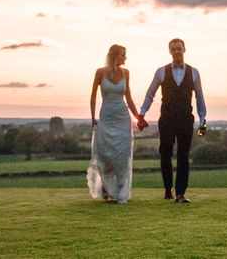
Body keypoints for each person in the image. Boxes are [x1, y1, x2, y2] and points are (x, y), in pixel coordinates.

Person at [138, 38, 206, 203]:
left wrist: (202, 120)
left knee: (183, 155)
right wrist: (142, 114)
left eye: (179, 49)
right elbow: (150, 94)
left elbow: (199, 97)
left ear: (184, 50)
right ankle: (168, 189)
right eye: (173, 49)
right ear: (170, 52)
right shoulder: (161, 72)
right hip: (166, 119)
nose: (176, 52)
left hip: (185, 119)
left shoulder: (194, 72)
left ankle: (181, 193)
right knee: (165, 154)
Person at [87, 44, 143, 203]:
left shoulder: (126, 73)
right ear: (114, 56)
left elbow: (129, 98)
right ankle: (106, 187)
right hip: (106, 117)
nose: (125, 58)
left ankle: (119, 190)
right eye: (122, 55)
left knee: (122, 154)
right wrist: (93, 118)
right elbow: (93, 96)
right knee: (105, 153)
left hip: (123, 118)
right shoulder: (100, 73)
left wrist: (138, 117)